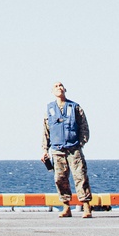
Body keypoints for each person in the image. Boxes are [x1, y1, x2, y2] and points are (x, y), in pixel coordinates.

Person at [41, 80, 92, 218]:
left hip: (73, 148)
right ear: (52, 92)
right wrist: (44, 150)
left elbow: (84, 126)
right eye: (56, 86)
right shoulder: (50, 110)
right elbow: (46, 131)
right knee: (60, 178)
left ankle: (86, 206)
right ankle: (66, 206)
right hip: (57, 150)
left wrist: (81, 143)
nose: (59, 88)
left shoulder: (75, 107)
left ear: (65, 89)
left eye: (61, 85)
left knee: (80, 176)